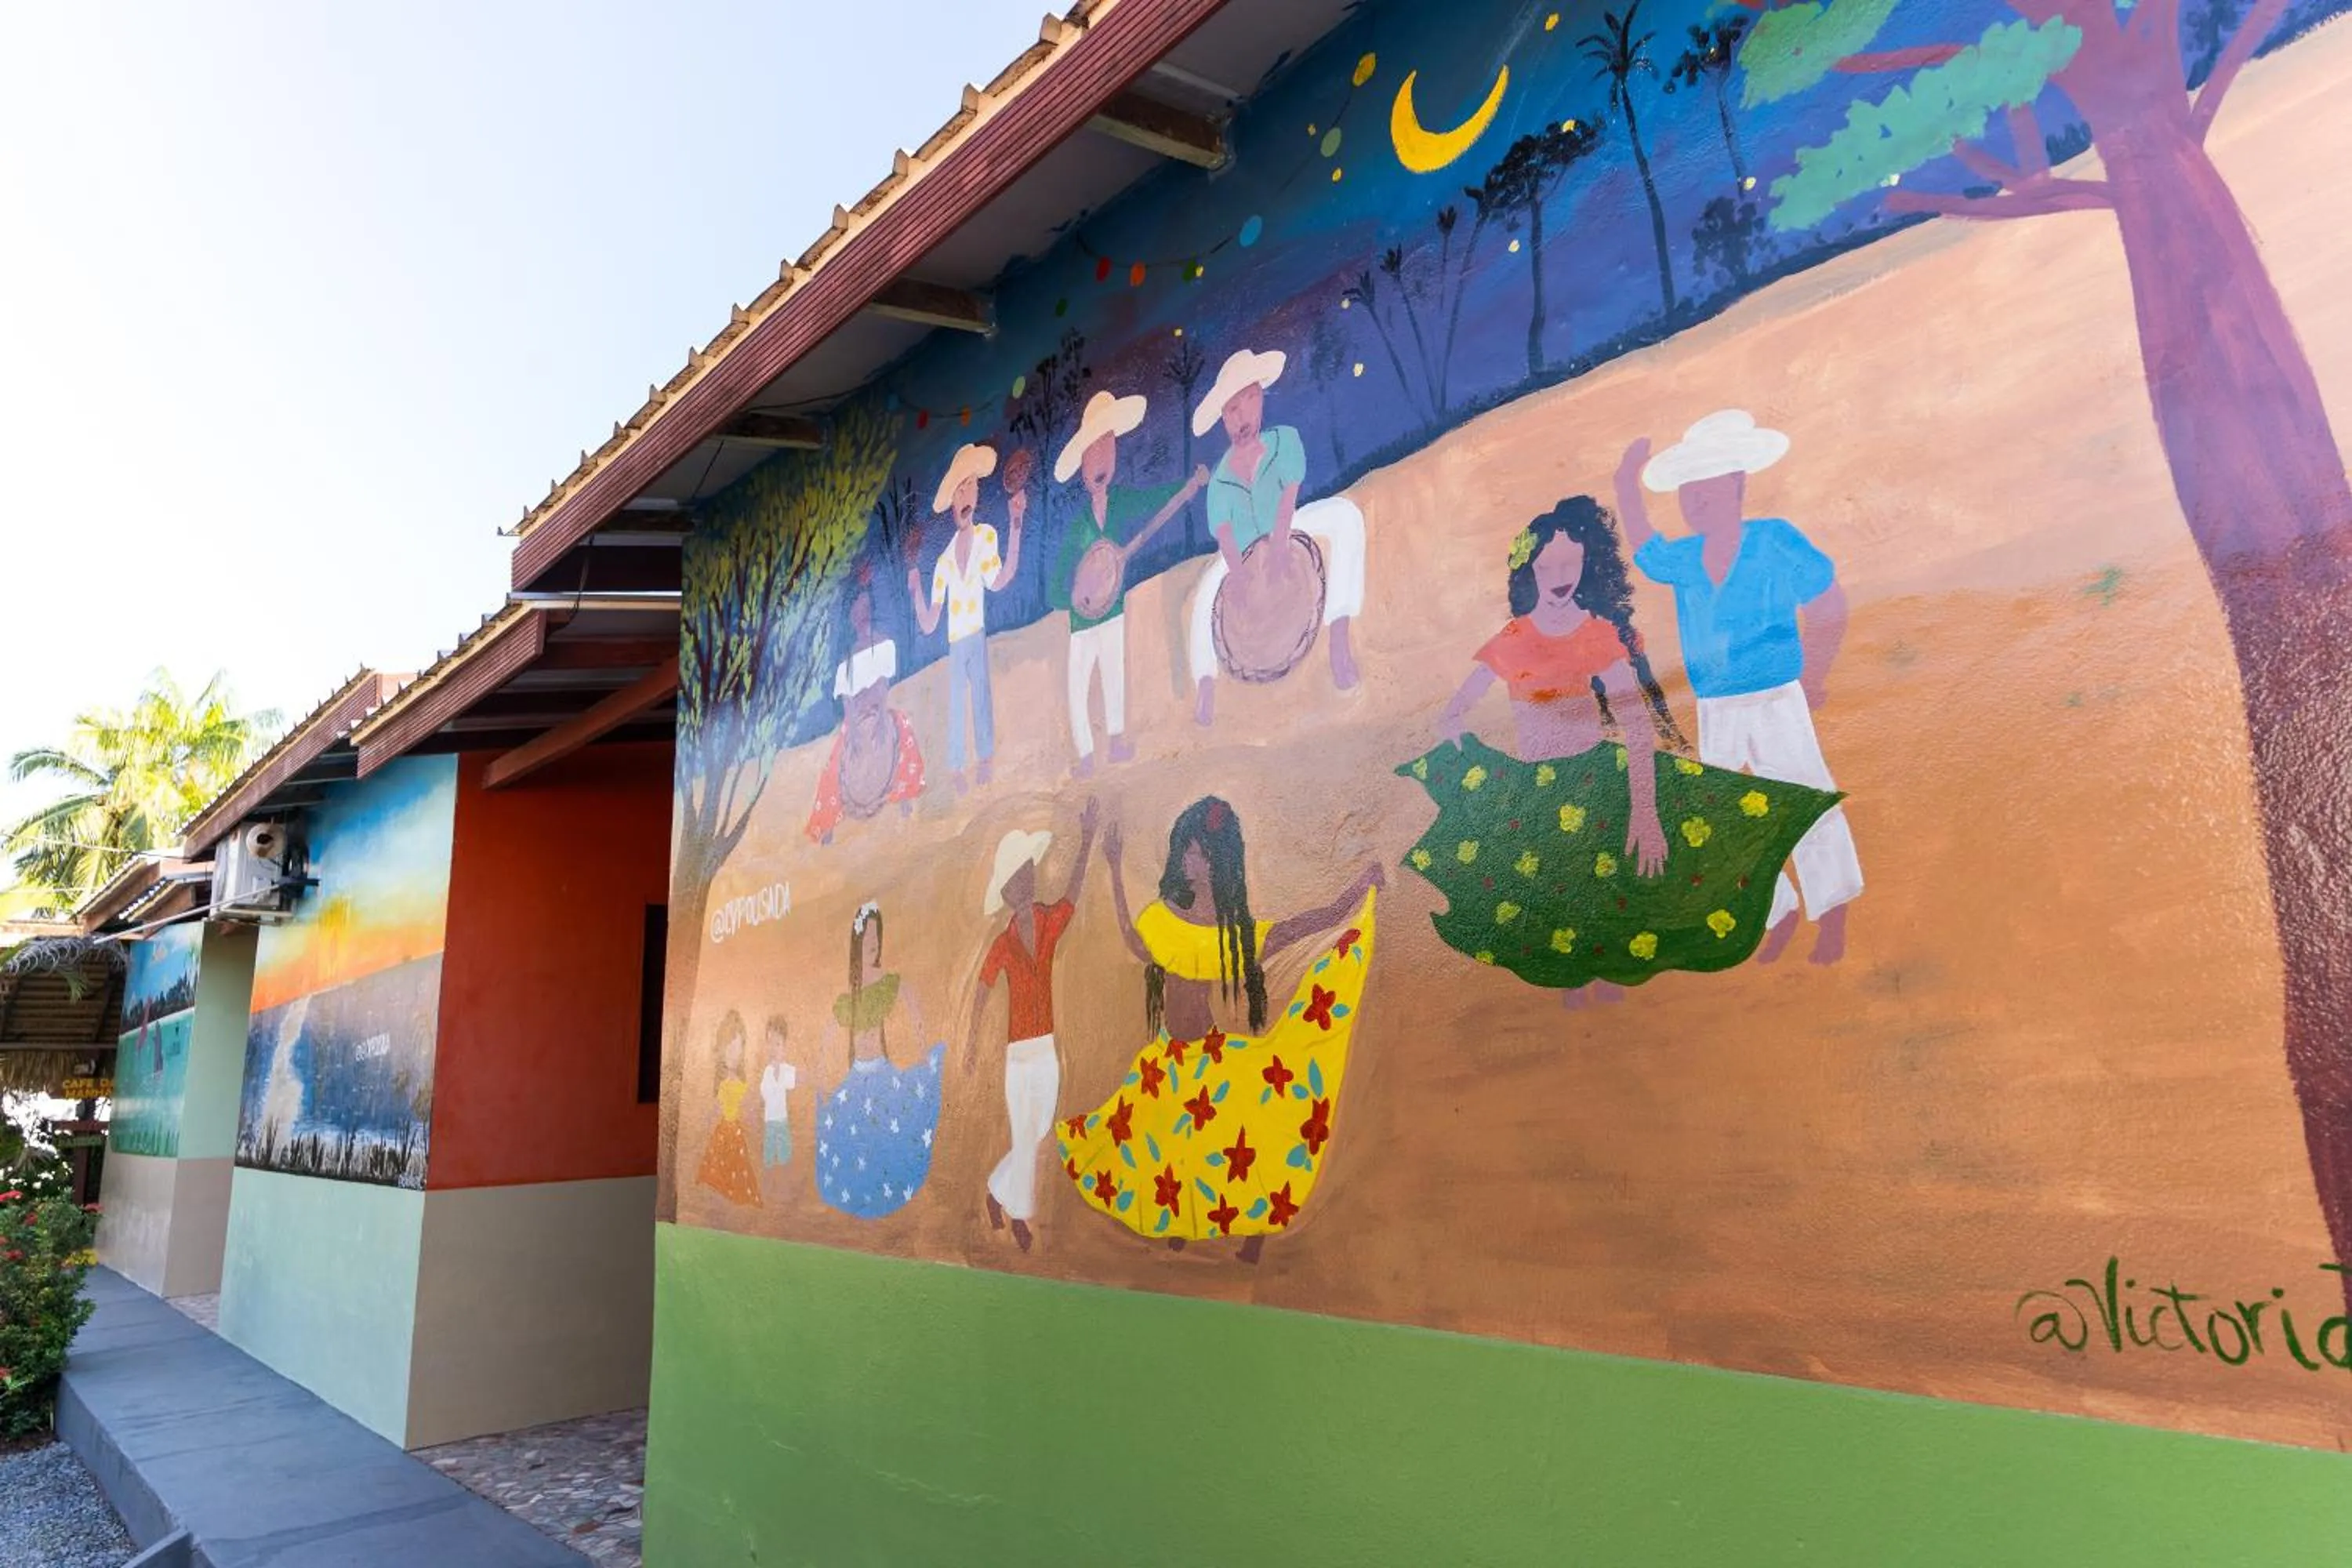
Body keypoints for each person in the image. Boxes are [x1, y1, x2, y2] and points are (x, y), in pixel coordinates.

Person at [1399, 499, 1842, 1003]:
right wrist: (1451, 720)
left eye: (1572, 562)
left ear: (1587, 564)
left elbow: (1633, 721)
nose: (1561, 574)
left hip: (1595, 782)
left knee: (1614, 892)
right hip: (1539, 790)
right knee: (1556, 895)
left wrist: (1645, 814)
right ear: (1531, 569)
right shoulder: (1514, 636)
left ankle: (1754, 919)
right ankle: (1574, 987)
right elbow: (1459, 703)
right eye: (1549, 564)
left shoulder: (1596, 634)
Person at [1058, 797, 1381, 1263]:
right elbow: (1136, 941)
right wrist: (1111, 867)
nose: (1193, 864)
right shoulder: (1166, 916)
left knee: (1241, 1136)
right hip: (1170, 1057)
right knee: (1156, 1141)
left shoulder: (1233, 934)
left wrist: (1355, 896)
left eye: (1204, 856)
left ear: (1221, 862)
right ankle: (1176, 1224)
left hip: (1208, 1057)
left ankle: (1252, 1236)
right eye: (1188, 852)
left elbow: (1296, 929)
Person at [1617, 412, 1861, 965]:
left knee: (1807, 799)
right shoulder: (1684, 558)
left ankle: (1834, 917)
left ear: (1736, 486)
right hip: (1716, 705)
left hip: (1777, 696)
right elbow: (1646, 549)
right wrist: (1624, 486)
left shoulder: (1774, 540)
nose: (1695, 500)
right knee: (1727, 814)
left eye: (1706, 487)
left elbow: (1828, 601)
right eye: (1687, 490)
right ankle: (1776, 913)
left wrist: (1816, 674)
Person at [1185, 350, 1367, 724]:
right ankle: (1205, 684)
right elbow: (1223, 531)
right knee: (1206, 591)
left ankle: (1339, 634)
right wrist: (1238, 573)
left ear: (1261, 397)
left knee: (1345, 517)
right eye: (1231, 410)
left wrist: (1282, 543)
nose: (1241, 417)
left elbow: (1289, 494)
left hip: (1291, 525)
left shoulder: (1285, 440)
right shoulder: (1219, 478)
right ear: (1223, 419)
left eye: (1248, 401)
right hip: (1244, 548)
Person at [964, 800, 1099, 1252]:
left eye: (1027, 873)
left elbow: (1074, 896)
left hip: (1045, 1049)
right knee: (1026, 1135)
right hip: (1017, 1055)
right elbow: (982, 988)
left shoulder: (1046, 921)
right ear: (1006, 892)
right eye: (1016, 879)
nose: (1025, 881)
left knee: (1038, 1130)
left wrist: (1087, 841)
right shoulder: (1003, 944)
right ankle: (1018, 1217)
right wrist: (968, 1043)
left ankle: (995, 1191)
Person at [1051, 390, 1210, 774]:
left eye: (1108, 447)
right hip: (1081, 622)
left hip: (1114, 611)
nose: (1101, 459)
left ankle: (1117, 740)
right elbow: (1059, 580)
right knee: (1078, 683)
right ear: (1083, 467)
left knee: (1113, 674)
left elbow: (1152, 501)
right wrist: (1071, 597)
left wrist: (1187, 488)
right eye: (1093, 452)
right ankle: (1086, 753)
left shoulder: (1122, 500)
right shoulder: (1077, 527)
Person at [816, 902, 946, 1220]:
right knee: (854, 1134)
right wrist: (820, 1062)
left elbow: (908, 995)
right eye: (868, 936)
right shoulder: (853, 992)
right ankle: (861, 1192)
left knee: (889, 1129)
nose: (873, 943)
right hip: (857, 1075)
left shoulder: (886, 984)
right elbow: (833, 1026)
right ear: (858, 942)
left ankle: (881, 1188)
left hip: (881, 1072)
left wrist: (919, 1037)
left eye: (877, 935)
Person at [910, 442, 1025, 792]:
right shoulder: (942, 562)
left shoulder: (987, 537)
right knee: (957, 703)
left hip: (976, 633)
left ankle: (986, 759)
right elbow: (930, 621)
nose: (967, 495)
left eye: (971, 486)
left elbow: (1000, 579)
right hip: (956, 642)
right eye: (961, 488)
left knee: (981, 697)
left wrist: (1017, 527)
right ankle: (957, 768)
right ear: (952, 502)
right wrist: (915, 590)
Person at [805, 579, 925, 843]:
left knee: (903, 726)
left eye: (865, 608)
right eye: (856, 611)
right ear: (851, 617)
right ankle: (827, 824)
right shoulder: (847, 659)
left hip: (879, 714)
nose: (862, 615)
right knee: (835, 763)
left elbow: (882, 689)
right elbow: (848, 702)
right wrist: (855, 731)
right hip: (856, 722)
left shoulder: (884, 645)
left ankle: (905, 794)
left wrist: (879, 716)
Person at [695, 1011, 763, 1207]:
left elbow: (750, 1110)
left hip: (737, 1135)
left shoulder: (742, 1085)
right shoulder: (721, 1085)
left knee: (737, 1178)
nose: (735, 1054)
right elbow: (712, 1113)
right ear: (722, 1049)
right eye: (730, 1048)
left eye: (738, 1047)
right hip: (722, 1135)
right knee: (718, 1176)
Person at [758, 1016, 796, 1169]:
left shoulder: (788, 1069)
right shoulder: (767, 1071)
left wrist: (780, 1069)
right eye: (770, 1043)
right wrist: (773, 1071)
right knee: (768, 1158)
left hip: (782, 1120)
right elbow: (764, 1094)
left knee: (784, 1156)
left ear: (785, 1047)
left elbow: (791, 1085)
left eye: (778, 1044)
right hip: (769, 1121)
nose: (773, 1049)